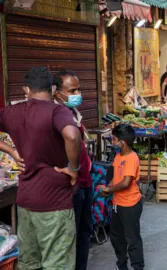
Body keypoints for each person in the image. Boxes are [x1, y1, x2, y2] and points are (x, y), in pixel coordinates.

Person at [0, 67, 82, 269]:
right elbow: (72, 135)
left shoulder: (12, 112)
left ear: (26, 89)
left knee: (29, 264)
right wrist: (74, 168)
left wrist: (11, 150)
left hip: (26, 202)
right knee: (57, 264)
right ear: (53, 88)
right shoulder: (57, 111)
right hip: (55, 202)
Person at [53, 70, 93, 270]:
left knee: (85, 232)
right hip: (73, 185)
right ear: (57, 92)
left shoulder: (74, 114)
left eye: (78, 89)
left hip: (86, 181)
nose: (77, 93)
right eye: (72, 90)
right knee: (72, 235)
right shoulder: (56, 115)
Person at [99, 124, 144, 270]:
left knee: (132, 239)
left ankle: (137, 266)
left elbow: (126, 183)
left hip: (130, 205)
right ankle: (122, 265)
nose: (112, 142)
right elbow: (116, 178)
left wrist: (109, 189)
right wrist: (108, 188)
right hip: (117, 204)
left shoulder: (132, 158)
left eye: (114, 139)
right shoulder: (119, 156)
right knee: (117, 238)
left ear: (122, 143)